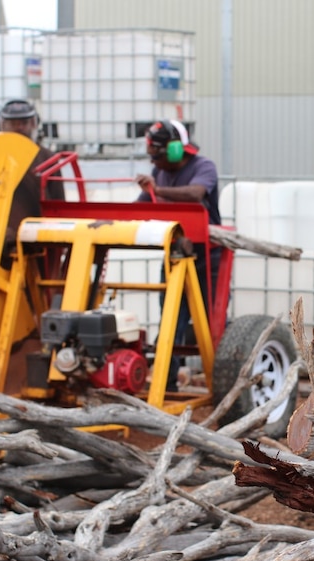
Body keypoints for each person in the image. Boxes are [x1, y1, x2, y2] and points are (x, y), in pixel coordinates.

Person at [136, 120, 222, 378]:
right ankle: (167, 380)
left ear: (175, 150)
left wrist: (158, 190)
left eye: (157, 156)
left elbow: (196, 194)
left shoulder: (203, 167)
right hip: (174, 256)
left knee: (211, 320)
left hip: (207, 258)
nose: (154, 163)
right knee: (171, 319)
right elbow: (138, 208)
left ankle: (220, 378)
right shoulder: (159, 173)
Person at [0, 98, 64, 266]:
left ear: (35, 124)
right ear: (0, 125)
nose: (19, 128)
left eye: (25, 122)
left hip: (39, 243)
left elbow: (59, 206)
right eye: (13, 123)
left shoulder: (47, 159)